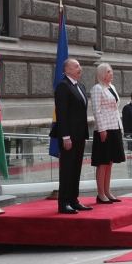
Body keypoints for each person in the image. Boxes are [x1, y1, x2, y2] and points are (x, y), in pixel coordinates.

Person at [54, 58, 92, 214]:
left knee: (76, 169)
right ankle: (63, 203)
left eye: (80, 66)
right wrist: (65, 136)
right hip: (69, 136)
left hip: (80, 135)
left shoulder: (80, 86)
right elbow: (61, 114)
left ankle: (74, 200)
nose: (80, 68)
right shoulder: (63, 86)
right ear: (67, 70)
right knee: (67, 169)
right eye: (76, 66)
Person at [90, 63, 125, 204]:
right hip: (104, 129)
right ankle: (101, 194)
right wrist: (102, 129)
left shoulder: (112, 87)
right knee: (103, 162)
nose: (112, 74)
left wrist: (120, 127)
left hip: (115, 127)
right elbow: (96, 111)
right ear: (102, 74)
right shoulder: (97, 88)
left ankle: (107, 191)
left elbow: (115, 109)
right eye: (109, 71)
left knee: (110, 161)